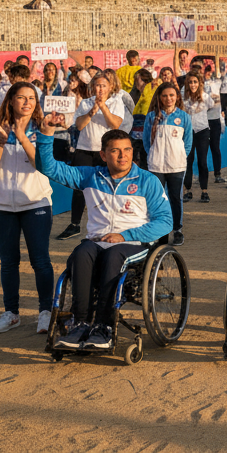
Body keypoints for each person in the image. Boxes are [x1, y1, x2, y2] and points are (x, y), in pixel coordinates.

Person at [35, 123, 171, 352]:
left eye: (127, 150)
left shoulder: (147, 181)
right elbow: (48, 168)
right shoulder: (90, 176)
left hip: (133, 243)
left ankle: (104, 327)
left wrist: (125, 235)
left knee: (114, 256)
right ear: (103, 155)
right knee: (81, 253)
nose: (123, 156)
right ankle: (80, 323)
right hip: (96, 241)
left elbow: (165, 221)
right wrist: (46, 135)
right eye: (115, 151)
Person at [0, 82, 54, 335]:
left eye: (31, 98)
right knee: (8, 263)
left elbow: (42, 165)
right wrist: (1, 141)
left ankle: (46, 312)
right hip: (2, 205)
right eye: (21, 97)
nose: (27, 102)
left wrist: (22, 136)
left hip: (36, 203)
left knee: (40, 261)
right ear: (11, 100)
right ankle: (11, 313)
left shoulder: (43, 127)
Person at [55, 74, 125, 241]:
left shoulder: (116, 102)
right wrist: (92, 110)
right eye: (97, 85)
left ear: (110, 87)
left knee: (107, 187)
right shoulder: (86, 103)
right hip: (84, 150)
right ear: (93, 87)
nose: (100, 89)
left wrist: (103, 107)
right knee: (79, 189)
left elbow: (115, 124)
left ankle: (109, 225)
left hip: (105, 152)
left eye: (103, 86)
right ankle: (75, 224)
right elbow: (79, 125)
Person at [141, 82, 193, 246]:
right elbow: (146, 142)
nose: (168, 98)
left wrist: (179, 155)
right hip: (156, 165)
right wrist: (153, 154)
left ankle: (177, 230)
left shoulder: (184, 117)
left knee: (175, 198)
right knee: (157, 198)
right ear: (159, 97)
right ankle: (159, 231)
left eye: (171, 95)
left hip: (176, 165)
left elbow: (188, 143)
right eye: (164, 95)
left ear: (177, 97)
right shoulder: (152, 117)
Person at [181, 72, 215, 203]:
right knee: (187, 161)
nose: (193, 85)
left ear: (199, 83)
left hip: (202, 131)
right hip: (187, 132)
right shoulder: (183, 97)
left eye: (195, 82)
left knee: (202, 162)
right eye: (190, 82)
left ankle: (204, 191)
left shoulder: (205, 97)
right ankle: (187, 190)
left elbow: (212, 105)